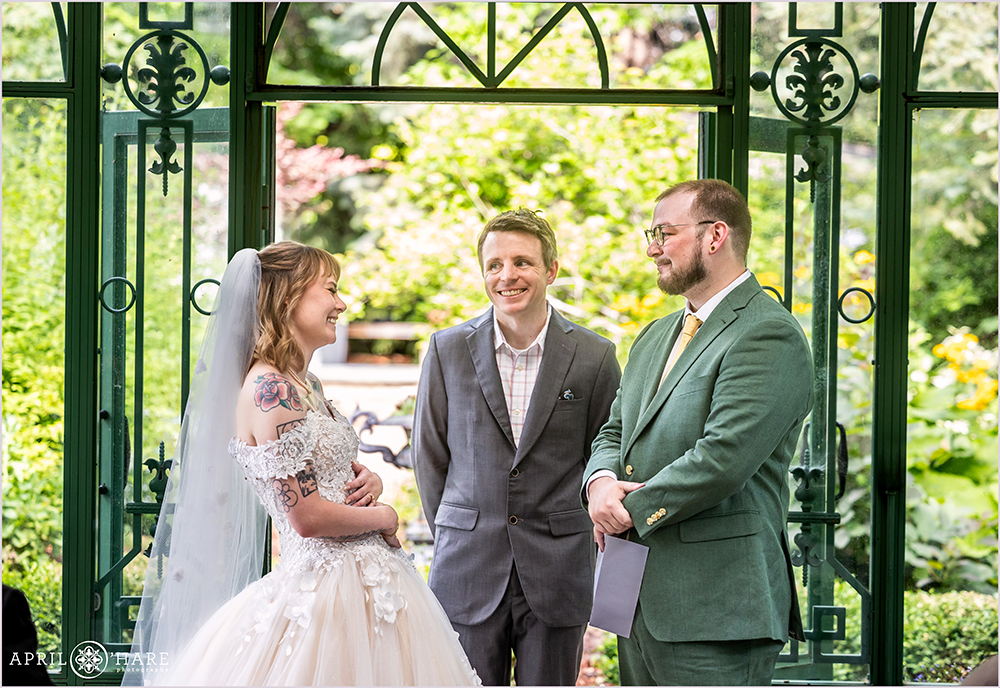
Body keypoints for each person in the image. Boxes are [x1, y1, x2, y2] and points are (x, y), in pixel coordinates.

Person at [126, 241, 479, 686]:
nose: (341, 303)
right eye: (330, 289)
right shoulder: (270, 390)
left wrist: (363, 479)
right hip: (327, 596)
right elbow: (307, 517)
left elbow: (321, 475)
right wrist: (384, 515)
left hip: (366, 584)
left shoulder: (303, 382)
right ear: (289, 297)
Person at [583, 179, 811, 686]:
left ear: (715, 236)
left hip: (715, 606)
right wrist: (598, 485)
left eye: (664, 233)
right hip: (631, 593)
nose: (652, 248)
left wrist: (624, 513)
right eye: (652, 234)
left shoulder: (767, 333)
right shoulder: (655, 335)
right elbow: (615, 431)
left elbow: (722, 458)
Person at [413, 209, 621, 686]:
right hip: (467, 565)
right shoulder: (447, 349)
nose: (507, 276)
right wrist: (458, 529)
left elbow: (605, 452)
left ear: (551, 270)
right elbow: (429, 457)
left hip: (558, 569)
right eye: (494, 265)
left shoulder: (595, 355)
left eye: (522, 262)